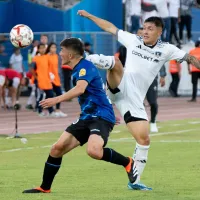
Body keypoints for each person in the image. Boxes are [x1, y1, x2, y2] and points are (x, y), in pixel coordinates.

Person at [77, 10, 200, 190]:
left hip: (133, 99)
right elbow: (110, 27)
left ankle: (135, 180)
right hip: (120, 84)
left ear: (159, 32)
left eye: (150, 28)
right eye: (144, 28)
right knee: (116, 64)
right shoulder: (133, 40)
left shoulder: (167, 49)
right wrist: (89, 16)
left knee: (144, 139)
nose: (145, 31)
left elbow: (189, 57)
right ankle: (88, 59)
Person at [23, 38, 139, 194]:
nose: (59, 53)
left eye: (62, 50)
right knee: (57, 148)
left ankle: (128, 162)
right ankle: (45, 187)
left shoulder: (85, 67)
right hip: (88, 116)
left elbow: (80, 89)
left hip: (100, 116)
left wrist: (56, 99)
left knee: (94, 151)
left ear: (70, 55)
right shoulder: (78, 68)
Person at [46, 42, 67, 117]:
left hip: (56, 78)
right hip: (49, 78)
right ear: (49, 48)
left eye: (55, 47)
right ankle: (50, 111)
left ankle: (58, 109)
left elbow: (59, 68)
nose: (53, 49)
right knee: (50, 94)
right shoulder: (47, 56)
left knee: (59, 93)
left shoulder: (57, 56)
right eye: (52, 47)